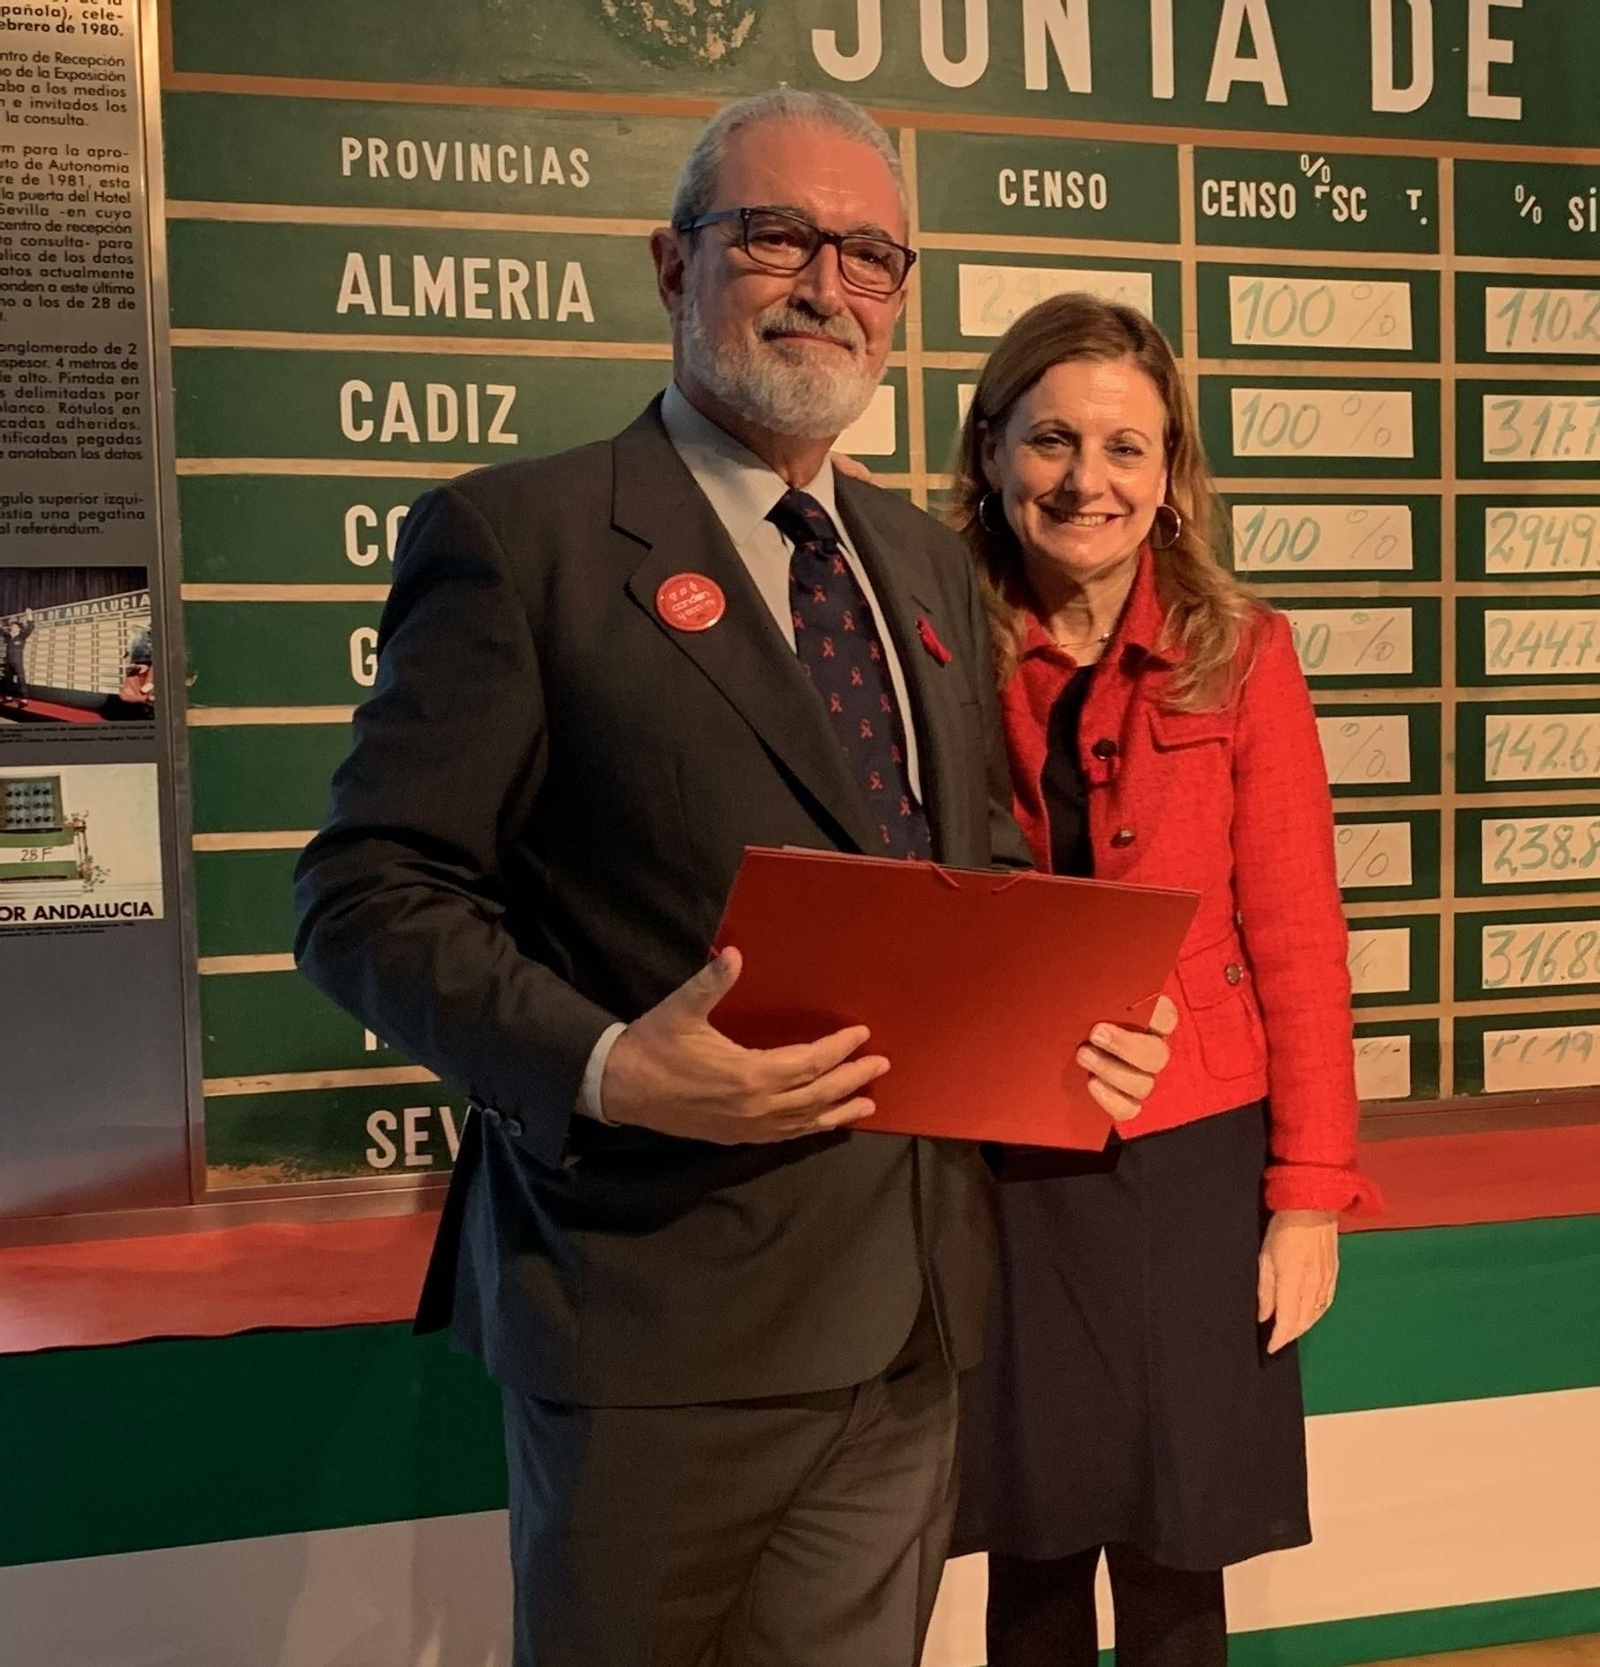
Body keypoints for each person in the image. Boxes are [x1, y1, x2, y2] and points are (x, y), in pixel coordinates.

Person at [294, 92, 1175, 1667]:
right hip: (650, 1321)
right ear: (672, 261)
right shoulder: (520, 541)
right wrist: (613, 1062)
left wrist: (1081, 1022)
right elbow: (367, 896)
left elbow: (964, 868)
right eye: (774, 233)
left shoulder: (917, 559)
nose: (822, 281)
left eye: (870, 254)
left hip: (908, 1314)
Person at [946, 294, 1381, 1667]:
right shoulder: (924, 637)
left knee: (1180, 1547)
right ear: (992, 450)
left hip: (1192, 1155)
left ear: (1172, 471)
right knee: (1029, 1541)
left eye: (1129, 447)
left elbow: (1303, 936)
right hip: (995, 1154)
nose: (1091, 480)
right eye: (1056, 439)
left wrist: (1308, 1196)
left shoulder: (1245, 650)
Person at [0, 610, 34, 704]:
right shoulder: (8, 637)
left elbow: (30, 627)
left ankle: (24, 699)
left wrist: (29, 615)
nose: (12, 627)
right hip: (8, 661)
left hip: (17, 661)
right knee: (8, 679)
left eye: (14, 626)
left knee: (20, 679)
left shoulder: (22, 636)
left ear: (19, 628)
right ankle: (9, 697)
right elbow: (1, 630)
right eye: (11, 626)